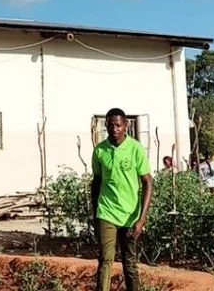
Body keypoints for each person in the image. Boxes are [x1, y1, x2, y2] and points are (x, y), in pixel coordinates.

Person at [91, 108, 153, 291]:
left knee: (130, 263)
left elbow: (148, 182)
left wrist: (141, 219)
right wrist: (95, 214)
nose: (114, 129)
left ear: (126, 125)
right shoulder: (100, 150)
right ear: (106, 126)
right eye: (111, 125)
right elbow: (96, 183)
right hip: (106, 211)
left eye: (118, 125)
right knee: (105, 260)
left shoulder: (135, 149)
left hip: (130, 215)